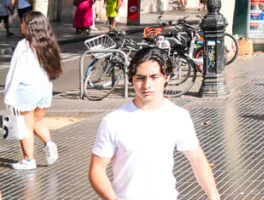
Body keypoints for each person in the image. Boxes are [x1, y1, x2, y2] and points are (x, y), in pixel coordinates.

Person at [90, 47, 220, 199]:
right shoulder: (114, 120)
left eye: (154, 77)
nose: (147, 85)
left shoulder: (178, 116)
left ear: (166, 77)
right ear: (132, 79)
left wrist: (213, 196)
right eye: (140, 78)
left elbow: (197, 159)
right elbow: (97, 169)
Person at [5, 11, 62, 170]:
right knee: (36, 121)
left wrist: (9, 97)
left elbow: (15, 73)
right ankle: (49, 145)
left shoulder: (23, 45)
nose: (21, 25)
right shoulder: (49, 43)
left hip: (26, 90)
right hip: (45, 90)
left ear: (30, 27)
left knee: (25, 126)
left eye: (23, 22)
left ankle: (29, 160)